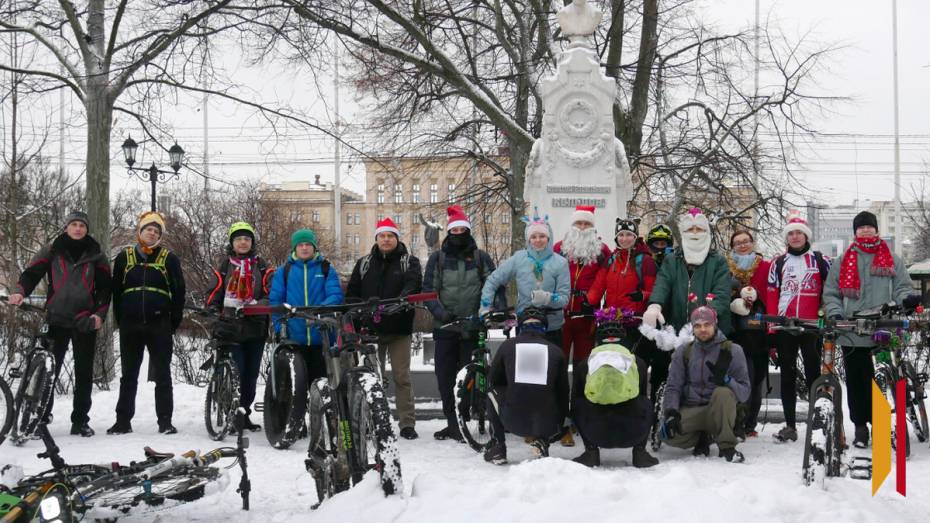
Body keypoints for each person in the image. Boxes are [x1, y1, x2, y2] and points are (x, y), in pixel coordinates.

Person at [9, 211, 111, 437]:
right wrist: (19, 292)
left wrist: (99, 316)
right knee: (47, 373)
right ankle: (41, 418)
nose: (77, 229)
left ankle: (80, 421)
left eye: (82, 226)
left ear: (86, 229)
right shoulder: (52, 249)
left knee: (83, 373)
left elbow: (105, 288)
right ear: (66, 227)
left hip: (84, 320)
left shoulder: (96, 254)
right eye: (73, 224)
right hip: (56, 319)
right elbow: (32, 273)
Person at [823, 211, 915, 448]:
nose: (865, 230)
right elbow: (831, 292)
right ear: (855, 231)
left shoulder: (892, 258)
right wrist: (835, 312)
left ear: (876, 230)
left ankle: (883, 425)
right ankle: (861, 427)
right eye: (861, 227)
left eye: (869, 227)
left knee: (883, 379)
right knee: (856, 381)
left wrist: (906, 300)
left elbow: (902, 287)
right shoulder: (842, 260)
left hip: (884, 328)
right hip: (853, 329)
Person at [423, 205, 504, 441]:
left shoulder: (481, 258)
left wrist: (491, 311)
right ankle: (452, 422)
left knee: (470, 375)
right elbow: (428, 291)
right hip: (445, 327)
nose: (458, 233)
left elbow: (494, 286)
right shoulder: (437, 259)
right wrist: (441, 312)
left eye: (462, 229)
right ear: (449, 232)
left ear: (468, 231)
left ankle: (468, 415)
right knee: (445, 376)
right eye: (454, 230)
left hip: (472, 326)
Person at [109, 212, 186, 435]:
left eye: (156, 231)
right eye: (148, 229)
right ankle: (122, 420)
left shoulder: (169, 258)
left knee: (163, 374)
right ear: (140, 231)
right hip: (130, 324)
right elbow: (116, 289)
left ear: (160, 236)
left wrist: (173, 321)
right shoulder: (125, 257)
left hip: (159, 324)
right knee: (128, 374)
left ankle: (165, 421)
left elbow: (179, 291)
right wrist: (120, 318)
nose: (152, 233)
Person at [346, 217, 423, 440]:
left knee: (402, 377)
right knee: (371, 378)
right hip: (370, 330)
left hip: (399, 329)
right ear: (377, 238)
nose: (386, 239)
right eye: (382, 236)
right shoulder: (364, 263)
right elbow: (353, 292)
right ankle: (371, 420)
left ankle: (407, 422)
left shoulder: (409, 261)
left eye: (390, 236)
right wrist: (357, 315)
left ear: (396, 238)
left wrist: (400, 301)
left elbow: (413, 284)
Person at [764, 212, 831, 443]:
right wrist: (773, 326)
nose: (794, 237)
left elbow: (830, 291)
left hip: (811, 326)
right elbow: (772, 293)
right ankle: (790, 425)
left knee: (814, 373)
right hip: (785, 326)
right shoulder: (778, 262)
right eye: (790, 233)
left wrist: (827, 315)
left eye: (798, 233)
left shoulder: (821, 260)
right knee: (788, 376)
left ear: (806, 236)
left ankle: (817, 422)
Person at [206, 221, 273, 432]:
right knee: (237, 370)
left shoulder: (262, 266)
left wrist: (254, 306)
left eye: (246, 239)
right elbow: (213, 294)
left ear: (252, 242)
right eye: (238, 239)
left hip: (255, 326)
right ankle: (230, 413)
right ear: (232, 243)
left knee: (251, 375)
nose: (243, 242)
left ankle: (244, 413)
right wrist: (212, 312)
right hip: (230, 327)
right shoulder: (224, 266)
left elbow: (271, 294)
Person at [662, 306, 751, 462]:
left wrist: (727, 380)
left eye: (707, 324)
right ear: (693, 328)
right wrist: (671, 412)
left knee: (722, 393)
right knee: (668, 436)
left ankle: (727, 446)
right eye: (697, 326)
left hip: (719, 410)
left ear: (715, 324)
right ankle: (704, 436)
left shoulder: (733, 350)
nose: (703, 329)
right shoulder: (684, 351)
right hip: (693, 408)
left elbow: (744, 393)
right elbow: (673, 385)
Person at [483, 308, 569, 464]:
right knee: (551, 393)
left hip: (513, 420)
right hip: (548, 424)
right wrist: (559, 424)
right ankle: (542, 443)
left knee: (491, 390)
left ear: (520, 326)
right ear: (544, 327)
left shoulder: (508, 346)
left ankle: (498, 446)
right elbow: (564, 392)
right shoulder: (556, 351)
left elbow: (493, 380)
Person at [587, 217, 661, 399]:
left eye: (629, 234)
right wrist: (588, 300)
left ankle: (638, 401)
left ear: (635, 237)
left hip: (635, 321)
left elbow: (655, 290)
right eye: (621, 235)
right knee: (612, 364)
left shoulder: (646, 261)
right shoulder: (611, 259)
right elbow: (599, 285)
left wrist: (642, 295)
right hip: (612, 321)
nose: (625, 239)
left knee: (634, 364)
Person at [571, 320, 659, 468]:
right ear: (624, 339)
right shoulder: (638, 363)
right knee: (646, 401)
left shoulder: (584, 364)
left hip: (596, 432)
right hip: (632, 433)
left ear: (598, 340)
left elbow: (574, 399)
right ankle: (640, 452)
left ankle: (591, 452)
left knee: (578, 402)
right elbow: (642, 396)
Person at [480, 211, 570, 347]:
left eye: (542, 236)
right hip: (525, 324)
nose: (538, 240)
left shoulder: (560, 263)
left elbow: (564, 299)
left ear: (549, 237)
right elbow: (493, 281)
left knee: (551, 367)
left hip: (551, 327)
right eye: (533, 236)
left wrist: (547, 298)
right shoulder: (519, 258)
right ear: (528, 239)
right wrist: (485, 307)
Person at [268, 229, 344, 388]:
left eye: (308, 244)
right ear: (294, 248)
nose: (304, 248)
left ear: (314, 247)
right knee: (296, 388)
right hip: (294, 338)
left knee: (322, 386)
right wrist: (278, 327)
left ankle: (321, 412)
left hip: (322, 338)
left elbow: (335, 295)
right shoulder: (284, 271)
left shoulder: (325, 268)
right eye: (300, 245)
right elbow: (276, 302)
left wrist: (319, 311)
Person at [645, 208, 733, 337]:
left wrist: (706, 314)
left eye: (699, 229)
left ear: (706, 232)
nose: (695, 233)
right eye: (690, 229)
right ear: (683, 233)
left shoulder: (718, 261)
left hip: (710, 331)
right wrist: (655, 305)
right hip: (677, 330)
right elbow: (662, 285)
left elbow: (722, 293)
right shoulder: (672, 260)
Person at [552, 205, 611, 372]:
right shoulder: (559, 248)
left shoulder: (602, 250)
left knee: (584, 363)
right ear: (573, 225)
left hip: (587, 315)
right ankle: (559, 397)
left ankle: (580, 397)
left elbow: (606, 278)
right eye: (579, 223)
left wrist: (590, 299)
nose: (583, 227)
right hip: (561, 314)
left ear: (592, 227)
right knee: (558, 360)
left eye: (587, 224)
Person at [726, 229, 770, 438]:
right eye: (737, 243)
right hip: (735, 331)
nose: (742, 245)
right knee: (739, 376)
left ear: (752, 243)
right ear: (732, 246)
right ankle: (736, 421)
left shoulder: (764, 267)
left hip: (758, 331)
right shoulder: (726, 268)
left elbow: (772, 293)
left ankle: (750, 422)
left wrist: (756, 298)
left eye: (746, 241)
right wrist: (734, 300)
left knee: (757, 377)